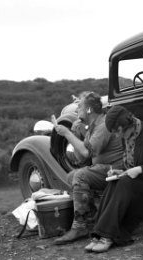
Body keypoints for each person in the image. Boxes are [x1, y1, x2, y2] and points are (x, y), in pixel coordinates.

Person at [85, 105, 143, 253]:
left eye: (116, 132)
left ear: (123, 126)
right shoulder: (128, 135)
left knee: (124, 183)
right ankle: (99, 232)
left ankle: (108, 235)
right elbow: (130, 163)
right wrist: (119, 170)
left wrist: (140, 170)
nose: (116, 136)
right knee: (114, 182)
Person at [52, 91, 123, 245]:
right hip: (103, 168)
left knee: (80, 176)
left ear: (89, 110)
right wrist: (77, 134)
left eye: (80, 107)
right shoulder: (92, 126)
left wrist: (66, 135)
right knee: (71, 176)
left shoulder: (103, 125)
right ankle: (92, 217)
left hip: (116, 169)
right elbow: (81, 158)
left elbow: (86, 152)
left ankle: (79, 226)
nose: (77, 111)